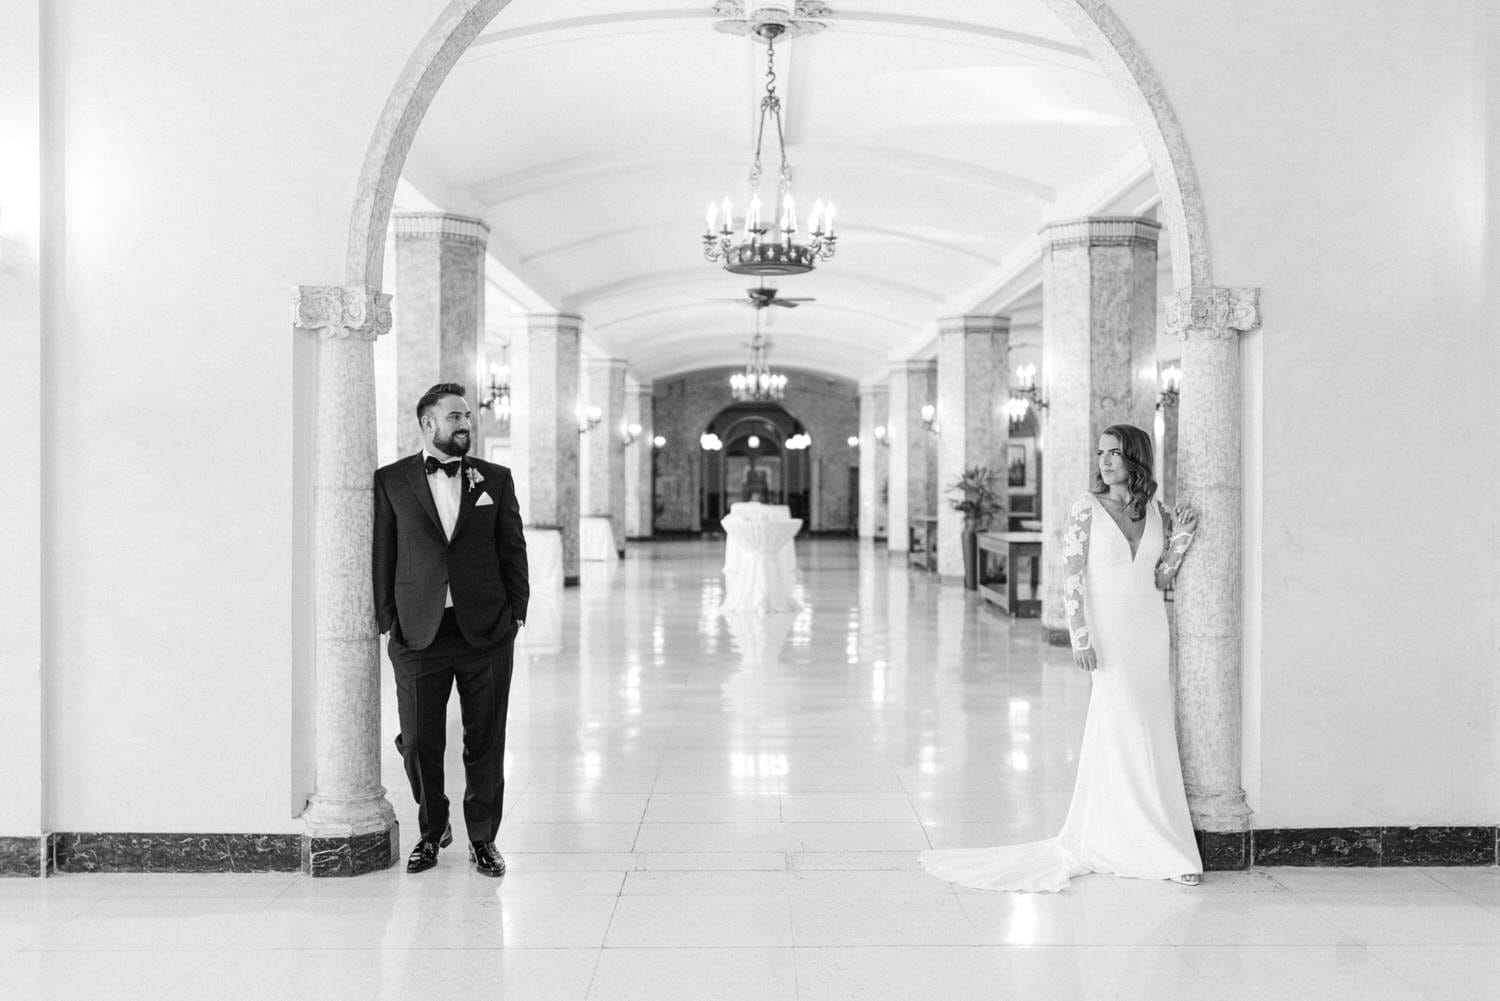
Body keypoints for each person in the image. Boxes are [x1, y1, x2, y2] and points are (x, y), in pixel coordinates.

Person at [920, 423, 1202, 891]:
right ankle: (1133, 840)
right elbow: (1070, 576)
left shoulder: (1154, 510)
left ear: (1135, 457)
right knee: (1124, 723)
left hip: (1150, 631)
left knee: (1151, 728)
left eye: (1114, 453)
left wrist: (1182, 537)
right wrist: (1081, 638)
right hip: (1108, 635)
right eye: (1101, 453)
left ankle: (1161, 839)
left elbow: (1161, 578)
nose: (1105, 461)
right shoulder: (1085, 508)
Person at [373, 382, 528, 877]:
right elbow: (384, 554)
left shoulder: (495, 480)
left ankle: (483, 838)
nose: (466, 423)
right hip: (418, 631)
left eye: (467, 416)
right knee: (420, 740)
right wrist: (387, 620)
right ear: (428, 424)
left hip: (485, 629)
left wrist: (516, 614)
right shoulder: (391, 481)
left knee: (486, 737)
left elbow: (512, 549)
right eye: (456, 416)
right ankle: (431, 829)